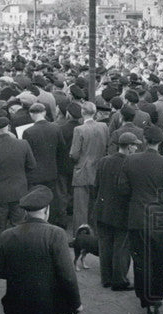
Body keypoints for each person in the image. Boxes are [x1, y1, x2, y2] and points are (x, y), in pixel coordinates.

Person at [0, 185, 81, 314]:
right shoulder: (56, 234)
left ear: (25, 211)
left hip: (18, 307)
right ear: (47, 210)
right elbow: (67, 276)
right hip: (48, 308)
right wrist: (76, 303)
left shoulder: (7, 235)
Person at [121, 125, 163, 314]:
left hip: (137, 218)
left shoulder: (130, 160)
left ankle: (146, 299)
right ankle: (156, 295)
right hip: (160, 220)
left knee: (141, 260)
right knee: (161, 259)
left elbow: (123, 189)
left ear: (144, 140)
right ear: (161, 142)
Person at [0, 115, 36, 243]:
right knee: (19, 224)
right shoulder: (23, 144)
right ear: (8, 128)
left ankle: (1, 249)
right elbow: (32, 165)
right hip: (19, 191)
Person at [95, 131, 138, 290]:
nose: (136, 148)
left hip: (103, 210)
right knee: (121, 247)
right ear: (129, 147)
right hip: (122, 212)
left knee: (105, 245)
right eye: (135, 145)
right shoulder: (131, 164)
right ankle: (119, 281)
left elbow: (96, 185)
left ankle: (106, 279)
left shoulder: (104, 161)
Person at [23, 102, 67, 228]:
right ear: (44, 112)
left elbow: (27, 155)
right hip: (52, 171)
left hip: (35, 173)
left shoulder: (28, 132)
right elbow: (62, 150)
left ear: (31, 114)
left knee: (37, 199)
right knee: (51, 199)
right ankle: (50, 222)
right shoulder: (56, 128)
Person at [70, 100, 109, 233]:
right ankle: (95, 233)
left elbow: (74, 154)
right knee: (95, 205)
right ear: (95, 112)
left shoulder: (79, 129)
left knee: (81, 207)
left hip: (82, 170)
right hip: (98, 169)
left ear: (82, 112)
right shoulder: (104, 126)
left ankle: (79, 235)